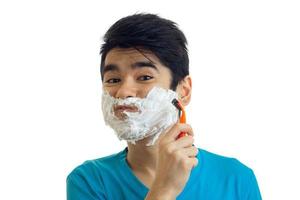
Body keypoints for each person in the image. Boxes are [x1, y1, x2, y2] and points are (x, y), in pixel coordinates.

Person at [66, 13, 262, 200]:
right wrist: (164, 189)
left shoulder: (236, 178)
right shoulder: (89, 181)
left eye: (144, 77)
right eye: (113, 79)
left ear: (183, 91)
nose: (123, 92)